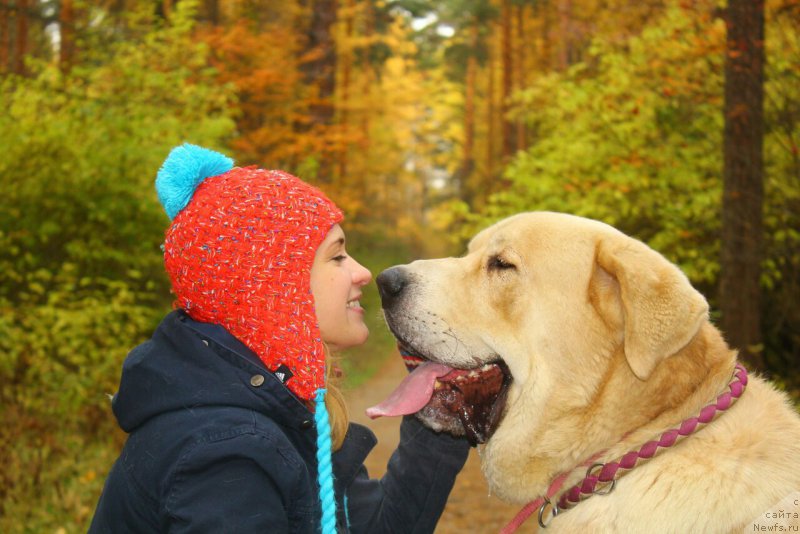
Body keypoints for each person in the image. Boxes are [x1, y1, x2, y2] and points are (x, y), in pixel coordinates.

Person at [88, 144, 470, 533]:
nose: (362, 272)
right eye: (337, 256)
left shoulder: (280, 409)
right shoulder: (226, 454)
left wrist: (442, 407)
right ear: (272, 288)